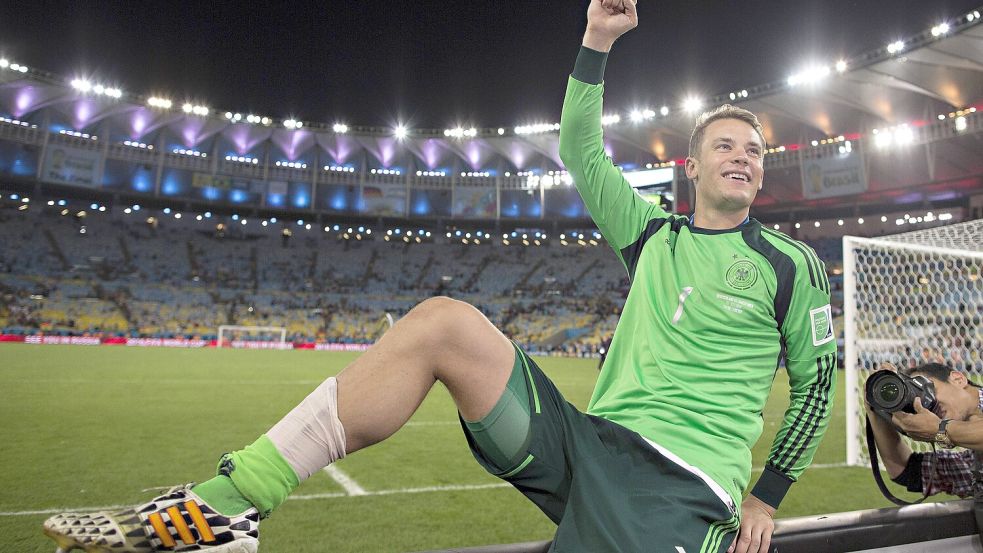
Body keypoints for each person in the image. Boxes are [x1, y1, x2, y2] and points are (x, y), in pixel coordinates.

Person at [43, 2, 835, 552]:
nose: (742, 156)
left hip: (682, 482)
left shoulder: (789, 265)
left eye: (754, 149)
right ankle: (227, 504)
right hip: (588, 447)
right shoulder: (650, 235)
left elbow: (815, 384)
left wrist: (765, 494)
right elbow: (580, 150)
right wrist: (595, 41)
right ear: (689, 165)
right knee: (442, 322)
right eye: (725, 145)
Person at [866, 362, 983, 498]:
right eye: (917, 402)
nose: (927, 404)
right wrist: (876, 408)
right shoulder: (972, 461)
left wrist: (939, 430)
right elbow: (907, 470)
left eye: (928, 389)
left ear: (958, 379)